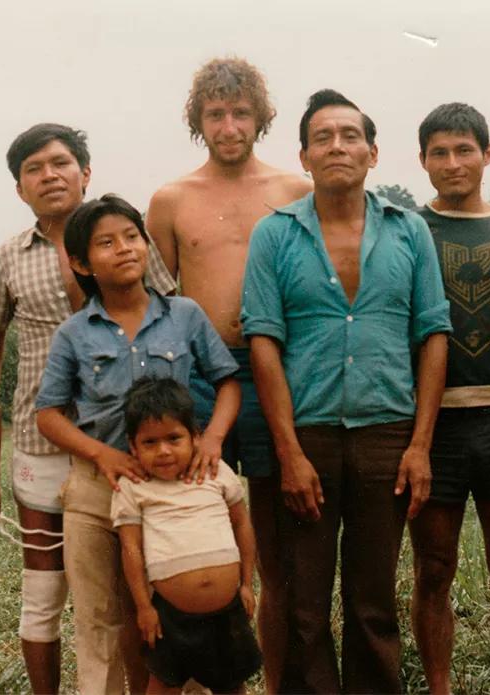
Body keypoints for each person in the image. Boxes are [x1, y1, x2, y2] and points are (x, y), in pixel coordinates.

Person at [241, 89, 452, 693]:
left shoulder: (408, 232)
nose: (338, 146)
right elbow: (264, 343)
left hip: (388, 434)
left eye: (350, 135)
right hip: (306, 435)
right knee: (304, 605)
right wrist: (289, 456)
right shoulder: (275, 235)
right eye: (323, 137)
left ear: (374, 153)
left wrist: (420, 447)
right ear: (303, 156)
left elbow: (433, 334)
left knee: (373, 600)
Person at [0, 123, 175, 693]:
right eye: (34, 170)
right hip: (42, 443)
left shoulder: (127, 240)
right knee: (45, 593)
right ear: (20, 189)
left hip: (126, 446)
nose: (50, 176)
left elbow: (170, 314)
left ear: (86, 173)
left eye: (61, 163)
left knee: (136, 584)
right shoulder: (8, 259)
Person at [145, 57, 311, 690]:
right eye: (216, 113)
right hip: (197, 378)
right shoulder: (171, 200)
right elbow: (157, 305)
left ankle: (273, 684)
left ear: (261, 118)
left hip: (275, 368)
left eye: (241, 112)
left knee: (273, 544)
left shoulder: (294, 191)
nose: (229, 124)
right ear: (198, 121)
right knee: (190, 537)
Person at [33, 194, 241, 691]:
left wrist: (211, 439)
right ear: (81, 262)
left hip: (177, 491)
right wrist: (101, 453)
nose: (124, 248)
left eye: (131, 236)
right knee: (100, 618)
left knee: (180, 617)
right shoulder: (74, 333)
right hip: (97, 489)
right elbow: (48, 414)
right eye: (106, 242)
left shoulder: (185, 315)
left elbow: (229, 382)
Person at [410, 103, 490, 694]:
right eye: (439, 152)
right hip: (432, 426)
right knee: (432, 570)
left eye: (465, 150)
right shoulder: (406, 227)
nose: (453, 162)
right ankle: (440, 687)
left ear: (488, 155)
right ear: (423, 162)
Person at [113, 376, 262, 694]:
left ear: (195, 436)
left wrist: (247, 583)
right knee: (163, 683)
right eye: (149, 443)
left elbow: (242, 525)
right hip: (170, 616)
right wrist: (144, 607)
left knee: (232, 684)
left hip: (227, 610)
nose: (163, 451)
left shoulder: (214, 471)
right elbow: (130, 548)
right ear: (132, 446)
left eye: (173, 438)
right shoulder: (134, 486)